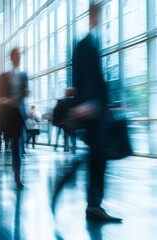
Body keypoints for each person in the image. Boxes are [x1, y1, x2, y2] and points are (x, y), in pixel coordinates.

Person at [71, 3, 122, 222]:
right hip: (90, 110)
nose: (101, 18)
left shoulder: (93, 43)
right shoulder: (84, 44)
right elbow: (79, 77)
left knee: (96, 157)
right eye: (100, 13)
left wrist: (107, 104)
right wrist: (83, 104)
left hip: (96, 109)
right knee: (96, 156)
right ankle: (93, 205)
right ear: (94, 15)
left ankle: (94, 204)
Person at [0, 48, 29, 188]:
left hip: (19, 114)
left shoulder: (24, 75)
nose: (18, 58)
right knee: (14, 144)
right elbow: (0, 98)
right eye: (16, 56)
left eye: (19, 56)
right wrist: (7, 101)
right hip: (10, 114)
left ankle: (17, 175)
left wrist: (26, 93)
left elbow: (25, 93)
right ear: (11, 58)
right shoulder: (4, 76)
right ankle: (16, 170)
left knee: (18, 145)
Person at [53, 88, 77, 153]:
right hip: (73, 121)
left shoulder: (62, 101)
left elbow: (56, 111)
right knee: (73, 135)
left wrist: (57, 121)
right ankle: (73, 147)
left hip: (64, 121)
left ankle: (65, 147)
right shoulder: (75, 101)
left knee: (65, 134)